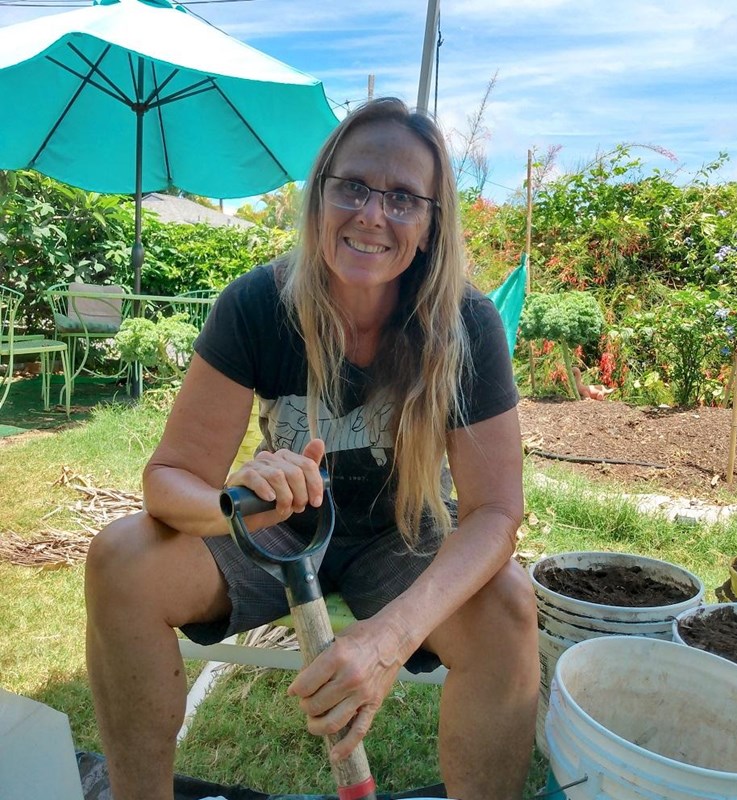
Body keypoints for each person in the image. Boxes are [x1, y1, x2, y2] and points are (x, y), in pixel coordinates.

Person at [85, 96, 540, 800]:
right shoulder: (257, 304)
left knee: (508, 605)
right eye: (353, 186)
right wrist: (236, 503)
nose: (372, 215)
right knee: (121, 559)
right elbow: (169, 479)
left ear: (429, 225)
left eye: (402, 199)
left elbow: (496, 513)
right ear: (320, 195)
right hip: (278, 529)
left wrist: (387, 642)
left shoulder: (466, 324)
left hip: (405, 535)